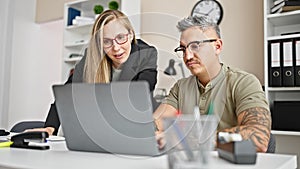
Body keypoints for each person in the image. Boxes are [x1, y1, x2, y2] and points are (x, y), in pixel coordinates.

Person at [153, 15, 271, 152]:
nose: (188, 56)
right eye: (183, 49)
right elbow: (156, 123)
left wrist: (187, 140)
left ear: (217, 46)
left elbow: (259, 137)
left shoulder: (244, 82)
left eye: (195, 46)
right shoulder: (180, 87)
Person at [29, 10, 158, 135]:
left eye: (120, 37)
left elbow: (141, 92)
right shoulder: (92, 58)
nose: (116, 48)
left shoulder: (146, 54)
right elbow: (67, 94)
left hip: (131, 127)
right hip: (98, 130)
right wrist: (50, 128)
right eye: (107, 41)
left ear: (130, 35)